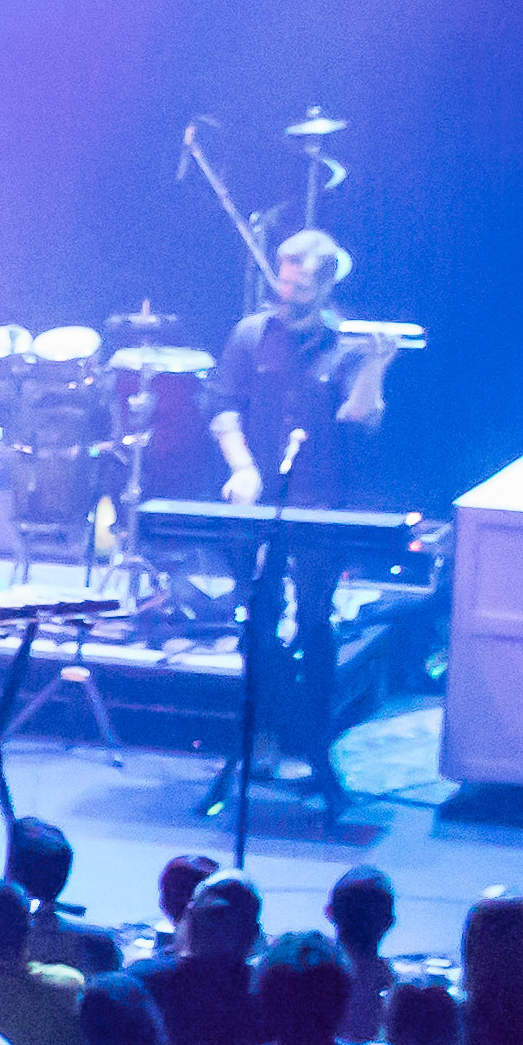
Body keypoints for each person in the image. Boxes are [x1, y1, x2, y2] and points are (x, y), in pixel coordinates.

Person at [212, 228, 405, 813]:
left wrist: (376, 365)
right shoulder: (250, 335)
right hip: (260, 500)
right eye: (283, 273)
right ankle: (272, 738)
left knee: (317, 621)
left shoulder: (343, 344)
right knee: (260, 619)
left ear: (325, 283)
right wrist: (242, 467)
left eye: (300, 277)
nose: (287, 284)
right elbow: (223, 407)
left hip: (323, 502)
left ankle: (314, 746)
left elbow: (359, 417)